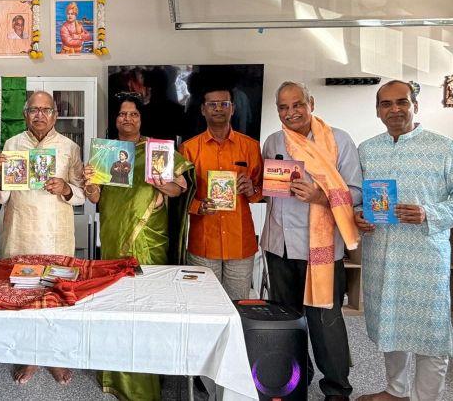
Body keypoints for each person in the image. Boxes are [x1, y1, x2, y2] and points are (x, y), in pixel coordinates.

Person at [355, 81, 453, 401]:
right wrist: (358, 215)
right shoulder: (368, 149)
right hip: (381, 254)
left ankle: (427, 397)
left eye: (402, 102)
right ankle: (396, 391)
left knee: (431, 332)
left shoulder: (445, 148)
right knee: (389, 326)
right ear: (377, 110)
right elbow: (358, 197)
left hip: (425, 257)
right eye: (386, 104)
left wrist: (429, 213)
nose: (394, 109)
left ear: (415, 105)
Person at [83, 93, 192, 401]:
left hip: (149, 241)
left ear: (141, 119)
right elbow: (94, 197)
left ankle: (147, 377)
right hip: (113, 238)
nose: (126, 118)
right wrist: (89, 180)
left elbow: (178, 189)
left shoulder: (158, 149)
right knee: (116, 305)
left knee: (146, 307)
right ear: (115, 119)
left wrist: (159, 180)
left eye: (133, 114)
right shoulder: (106, 152)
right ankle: (116, 374)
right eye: (121, 114)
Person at [260, 81, 361, 401]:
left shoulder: (339, 141)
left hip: (322, 248)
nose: (291, 112)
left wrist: (321, 196)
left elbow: (356, 192)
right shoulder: (274, 141)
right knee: (287, 319)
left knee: (325, 320)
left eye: (297, 104)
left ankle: (336, 387)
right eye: (283, 107)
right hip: (280, 244)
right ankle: (294, 378)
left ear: (311, 103)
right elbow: (268, 189)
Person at [0, 91, 85, 385]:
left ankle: (54, 357)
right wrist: (1, 172)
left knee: (55, 294)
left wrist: (66, 188)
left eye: (46, 110)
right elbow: (1, 196)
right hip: (20, 232)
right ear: (25, 114)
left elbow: (82, 193)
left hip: (55, 234)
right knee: (23, 295)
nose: (40, 115)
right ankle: (30, 356)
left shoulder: (69, 147)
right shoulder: (12, 144)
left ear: (55, 115)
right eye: (34, 110)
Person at [179, 87, 263, 301]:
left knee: (238, 304)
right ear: (203, 110)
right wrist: (198, 206)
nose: (218, 109)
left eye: (224, 104)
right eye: (212, 104)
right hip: (203, 242)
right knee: (203, 304)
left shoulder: (251, 147)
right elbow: (180, 196)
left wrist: (252, 190)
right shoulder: (189, 149)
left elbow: (264, 191)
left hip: (240, 242)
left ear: (232, 109)